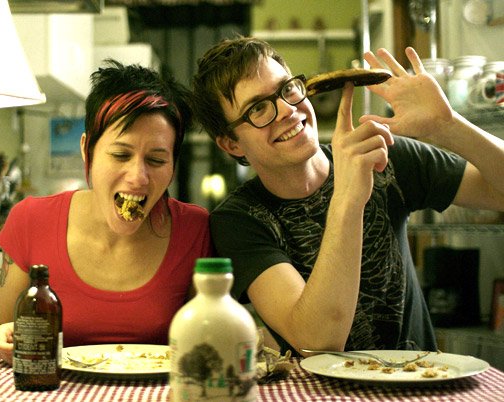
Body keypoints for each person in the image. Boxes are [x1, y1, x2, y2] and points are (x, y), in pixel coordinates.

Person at [191, 36, 504, 354]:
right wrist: (348, 199)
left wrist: (448, 126)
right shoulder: (238, 220)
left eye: (287, 89)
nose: (287, 109)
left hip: (418, 377)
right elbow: (316, 340)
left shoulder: (382, 155)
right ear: (231, 144)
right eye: (258, 108)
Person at [0, 60, 214, 365]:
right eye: (121, 154)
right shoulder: (30, 219)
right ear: (87, 151)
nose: (138, 177)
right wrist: (7, 337)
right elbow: (0, 330)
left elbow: (205, 342)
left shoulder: (195, 229)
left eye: (157, 160)